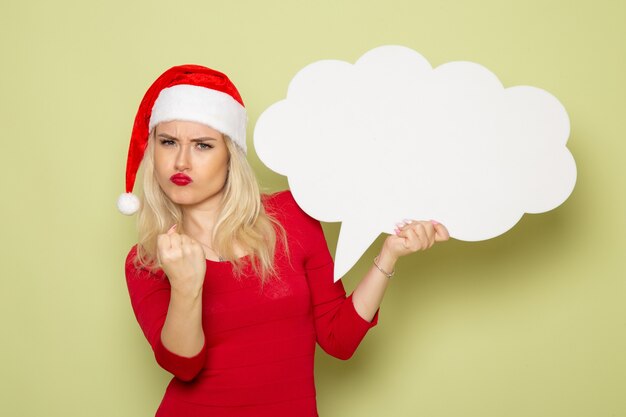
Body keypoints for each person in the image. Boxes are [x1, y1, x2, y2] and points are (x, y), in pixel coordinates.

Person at [120, 64, 449, 417]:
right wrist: (186, 286)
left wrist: (389, 255)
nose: (181, 161)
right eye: (168, 142)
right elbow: (184, 367)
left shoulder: (293, 215)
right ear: (153, 149)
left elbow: (339, 340)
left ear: (231, 155)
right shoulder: (147, 261)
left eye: (202, 145)